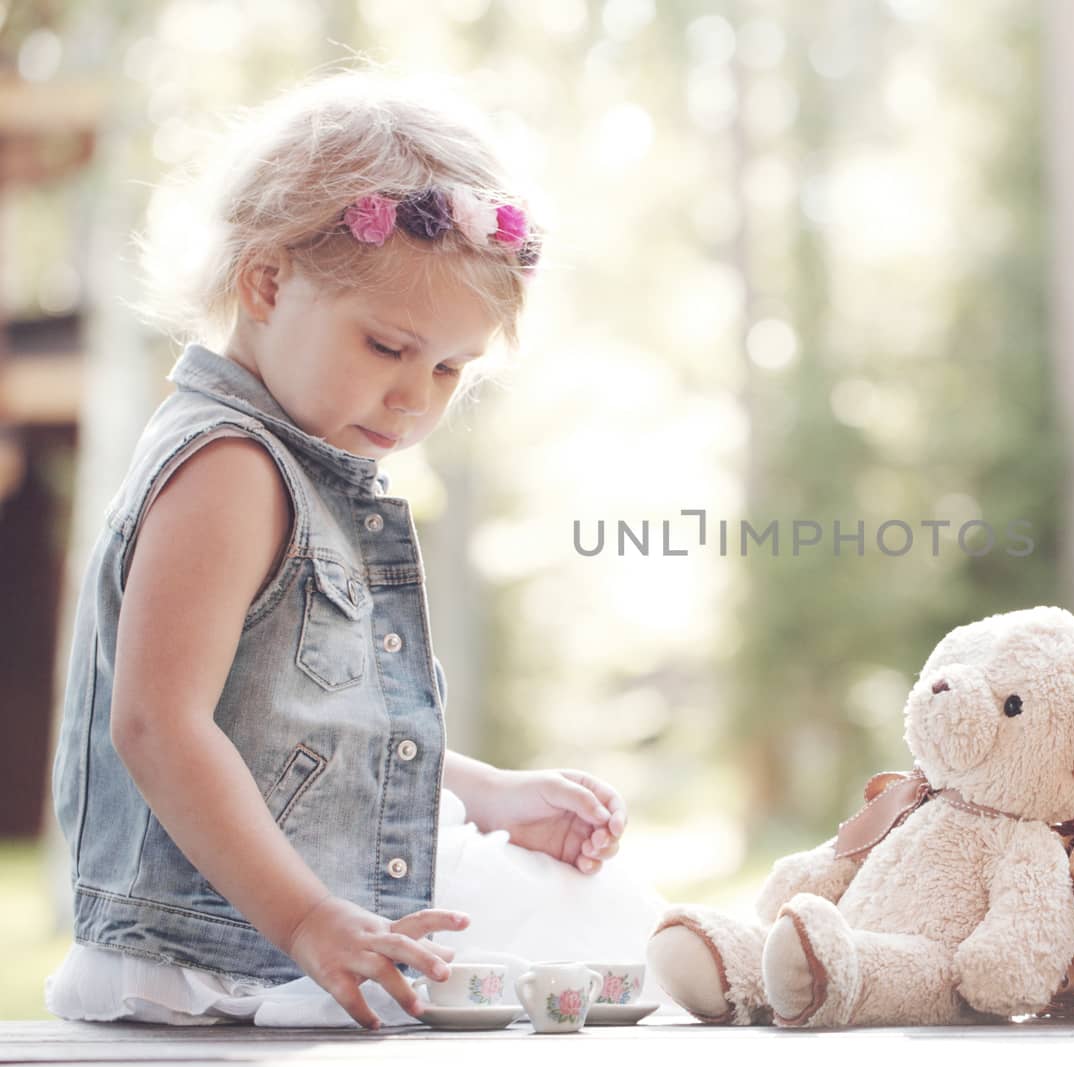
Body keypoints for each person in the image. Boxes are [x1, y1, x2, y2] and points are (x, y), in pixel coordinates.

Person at [45, 69, 666, 1029]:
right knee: (628, 948)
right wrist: (306, 920)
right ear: (266, 281)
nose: (416, 396)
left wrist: (484, 792)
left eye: (451, 368)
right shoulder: (228, 469)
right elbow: (157, 725)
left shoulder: (297, 464)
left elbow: (305, 734)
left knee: (620, 931)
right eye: (387, 346)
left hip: (319, 913)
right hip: (244, 940)